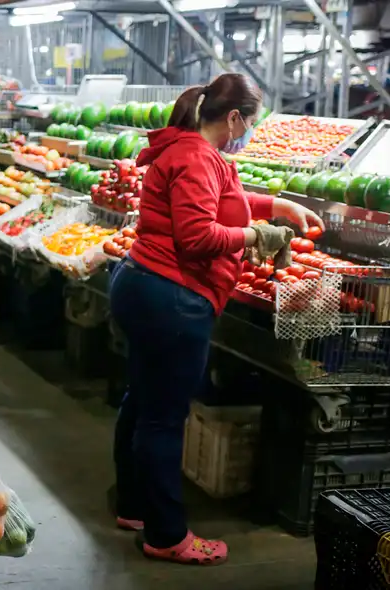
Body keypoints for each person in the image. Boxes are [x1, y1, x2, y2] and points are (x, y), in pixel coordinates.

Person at [109, 73, 324, 565]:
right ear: (233, 119)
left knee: (142, 402)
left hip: (146, 285)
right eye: (250, 121)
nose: (249, 130)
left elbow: (219, 203)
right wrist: (257, 237)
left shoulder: (191, 151)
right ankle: (166, 535)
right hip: (172, 297)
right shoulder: (195, 156)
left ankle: (135, 506)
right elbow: (198, 236)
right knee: (163, 419)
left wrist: (276, 205)